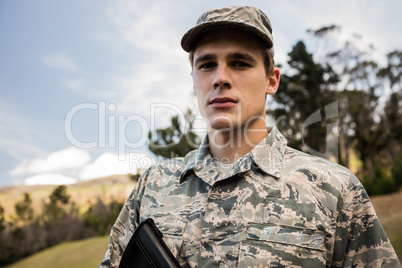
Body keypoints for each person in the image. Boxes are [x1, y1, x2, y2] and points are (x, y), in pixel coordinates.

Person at [99, 5, 400, 267]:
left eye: (240, 63)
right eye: (206, 65)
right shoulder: (154, 185)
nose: (220, 79)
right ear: (193, 81)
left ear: (271, 80)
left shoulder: (335, 190)